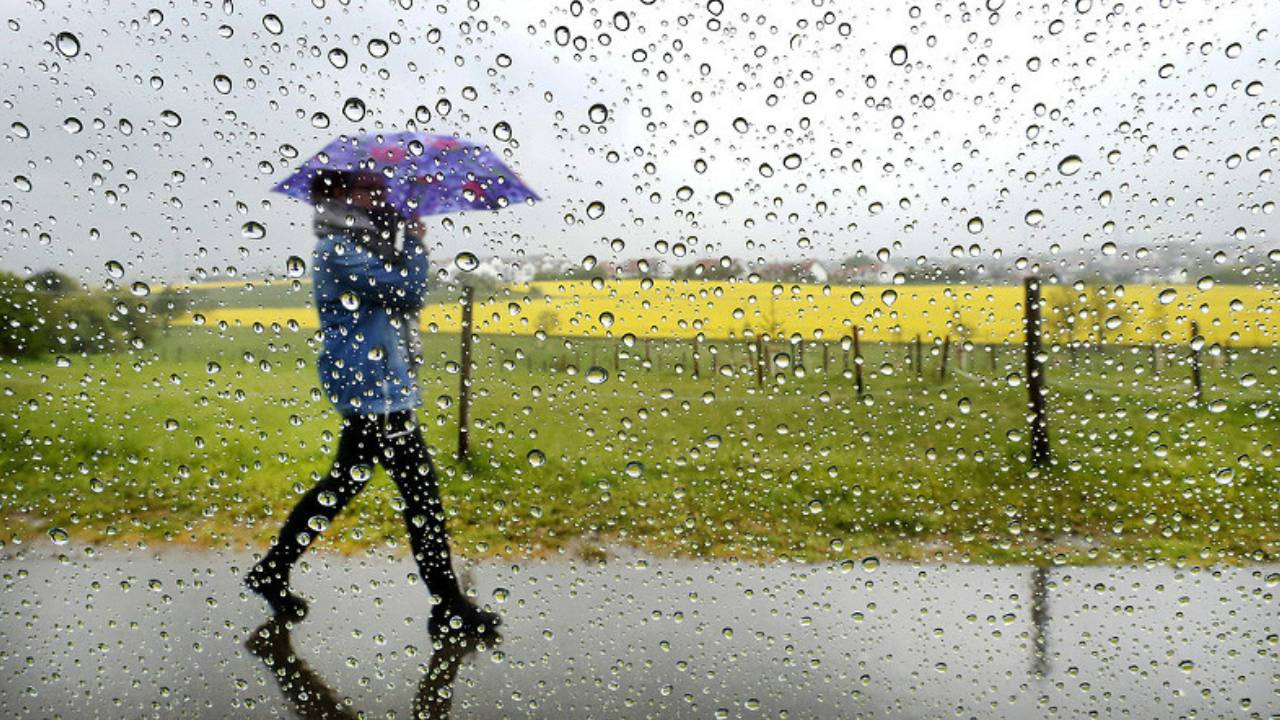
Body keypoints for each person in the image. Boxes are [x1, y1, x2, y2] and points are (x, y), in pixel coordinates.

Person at [245, 169, 500, 638]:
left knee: (343, 485)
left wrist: (400, 237)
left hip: (378, 386)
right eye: (373, 190)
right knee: (421, 497)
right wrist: (418, 243)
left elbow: (395, 296)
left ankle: (272, 570)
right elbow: (406, 293)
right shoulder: (339, 250)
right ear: (342, 195)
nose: (384, 197)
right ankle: (447, 605)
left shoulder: (360, 243)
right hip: (372, 390)